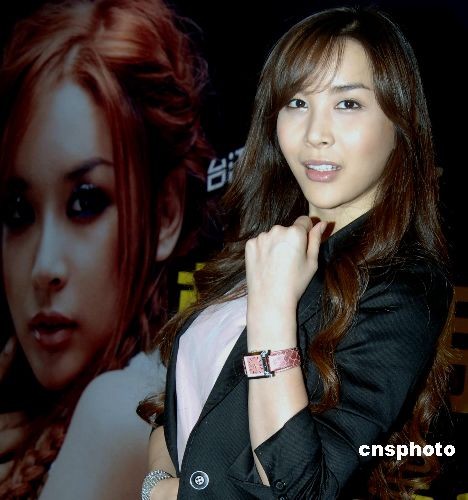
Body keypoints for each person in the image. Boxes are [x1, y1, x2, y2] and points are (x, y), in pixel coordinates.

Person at [139, 5, 454, 499]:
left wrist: (271, 310)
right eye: (297, 102)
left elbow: (302, 487)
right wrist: (159, 484)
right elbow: (188, 409)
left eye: (347, 103)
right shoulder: (270, 245)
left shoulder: (403, 285)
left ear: (399, 125)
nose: (315, 134)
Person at [0, 0, 210, 498]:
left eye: (85, 203)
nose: (44, 267)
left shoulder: (121, 410)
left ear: (165, 212)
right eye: (18, 212)